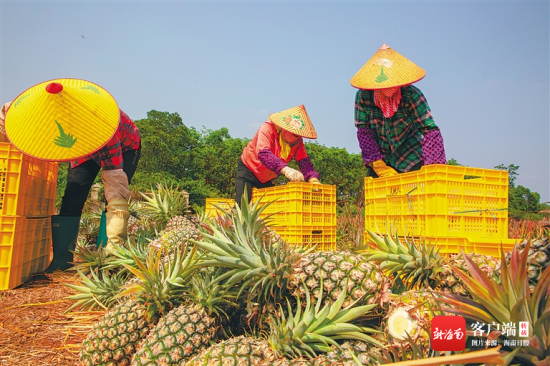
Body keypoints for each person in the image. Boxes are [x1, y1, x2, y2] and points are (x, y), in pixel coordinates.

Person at [4, 79, 141, 272]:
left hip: (125, 146)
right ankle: (62, 260)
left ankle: (109, 258)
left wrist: (115, 201)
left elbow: (115, 183)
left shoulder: (104, 128)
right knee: (72, 196)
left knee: (112, 200)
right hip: (82, 148)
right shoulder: (48, 111)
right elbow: (14, 117)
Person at [350, 44, 446, 178]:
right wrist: (378, 164)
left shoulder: (412, 96)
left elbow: (429, 130)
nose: (387, 90)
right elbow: (364, 130)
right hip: (381, 156)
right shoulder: (363, 97)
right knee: (379, 196)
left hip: (410, 155)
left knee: (412, 195)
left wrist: (434, 168)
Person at [236, 104, 320, 204]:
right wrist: (285, 169)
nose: (297, 137)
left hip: (267, 177)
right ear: (284, 128)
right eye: (294, 134)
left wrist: (312, 178)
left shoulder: (297, 142)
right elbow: (263, 153)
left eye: (299, 135)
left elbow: (303, 161)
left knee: (268, 209)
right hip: (249, 169)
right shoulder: (267, 128)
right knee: (242, 205)